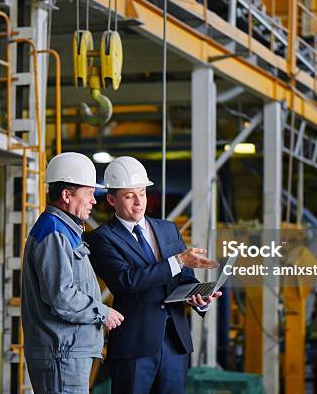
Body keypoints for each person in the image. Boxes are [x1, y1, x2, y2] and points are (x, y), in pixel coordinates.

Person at [85, 156, 221, 394]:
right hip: (135, 345)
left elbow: (185, 278)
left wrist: (199, 298)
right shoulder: (101, 238)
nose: (139, 202)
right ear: (111, 199)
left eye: (142, 193)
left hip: (175, 344)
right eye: (129, 196)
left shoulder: (167, 229)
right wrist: (178, 260)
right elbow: (126, 280)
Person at [21, 152, 125, 394]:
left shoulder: (64, 231)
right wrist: (103, 312)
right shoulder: (54, 233)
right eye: (88, 193)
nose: (93, 201)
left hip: (66, 352)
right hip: (62, 354)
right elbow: (62, 298)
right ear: (67, 195)